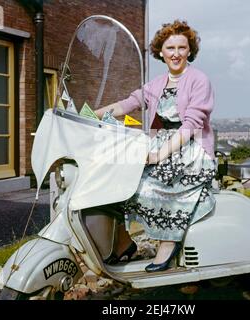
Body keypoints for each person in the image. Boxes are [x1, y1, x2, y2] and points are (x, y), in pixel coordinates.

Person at [95, 20, 216, 272]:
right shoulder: (156, 84)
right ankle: (122, 242)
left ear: (190, 51)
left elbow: (192, 125)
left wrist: (159, 154)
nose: (176, 53)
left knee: (151, 185)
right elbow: (127, 104)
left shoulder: (199, 80)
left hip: (190, 150)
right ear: (161, 52)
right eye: (170, 48)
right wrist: (91, 114)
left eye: (182, 47)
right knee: (118, 179)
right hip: (160, 145)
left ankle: (168, 243)